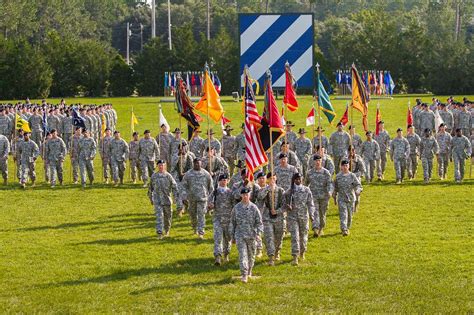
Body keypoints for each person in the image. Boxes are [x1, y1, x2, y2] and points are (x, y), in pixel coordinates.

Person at [229, 187, 263, 283]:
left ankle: (249, 271)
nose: (245, 196)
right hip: (240, 235)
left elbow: (259, 223)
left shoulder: (254, 208)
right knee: (243, 254)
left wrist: (258, 233)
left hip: (252, 235)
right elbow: (232, 222)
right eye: (243, 195)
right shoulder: (236, 208)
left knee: (251, 255)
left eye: (247, 195)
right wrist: (232, 236)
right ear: (241, 195)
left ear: (249, 195)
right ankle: (244, 274)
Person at [284, 173, 314, 266]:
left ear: (302, 179)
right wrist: (287, 206)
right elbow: (283, 203)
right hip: (292, 217)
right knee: (295, 237)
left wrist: (312, 215)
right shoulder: (289, 192)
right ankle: (295, 256)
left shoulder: (306, 190)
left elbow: (310, 203)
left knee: (303, 237)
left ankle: (302, 252)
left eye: (299, 179)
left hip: (304, 217)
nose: (298, 180)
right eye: (296, 179)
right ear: (293, 180)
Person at [182, 158, 213, 239]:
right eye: (195, 163)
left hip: (202, 199)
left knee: (201, 215)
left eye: (198, 163)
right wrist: (184, 197)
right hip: (191, 199)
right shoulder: (188, 174)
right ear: (193, 164)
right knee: (192, 215)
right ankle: (194, 227)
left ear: (201, 164)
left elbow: (211, 188)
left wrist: (210, 200)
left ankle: (201, 232)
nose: (197, 165)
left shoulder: (206, 174)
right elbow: (184, 186)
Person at [258, 172, 285, 266]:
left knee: (278, 237)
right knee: (269, 237)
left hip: (279, 218)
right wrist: (268, 189)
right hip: (267, 218)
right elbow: (260, 197)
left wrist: (277, 211)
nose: (272, 180)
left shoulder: (281, 191)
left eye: (274, 178)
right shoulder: (264, 190)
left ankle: (277, 251)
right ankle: (271, 257)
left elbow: (285, 206)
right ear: (268, 180)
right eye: (270, 179)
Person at [208, 174, 234, 265]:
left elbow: (234, 204)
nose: (223, 181)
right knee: (218, 238)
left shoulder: (230, 192)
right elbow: (209, 201)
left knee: (227, 238)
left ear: (227, 181)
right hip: (217, 218)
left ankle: (226, 254)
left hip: (228, 219)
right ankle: (218, 256)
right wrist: (210, 205)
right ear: (219, 181)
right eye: (222, 180)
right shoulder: (215, 192)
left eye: (225, 180)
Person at [148, 160, 178, 239]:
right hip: (157, 200)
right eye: (159, 165)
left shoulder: (168, 176)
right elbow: (150, 188)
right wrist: (151, 198)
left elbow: (175, 187)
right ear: (157, 166)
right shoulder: (154, 176)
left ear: (165, 166)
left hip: (167, 200)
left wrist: (175, 198)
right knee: (159, 216)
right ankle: (159, 232)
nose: (161, 167)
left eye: (163, 165)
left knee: (167, 217)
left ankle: (167, 230)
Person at [305, 154, 333, 237]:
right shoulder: (309, 173)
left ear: (321, 162)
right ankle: (315, 229)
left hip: (324, 196)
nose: (317, 162)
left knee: (322, 213)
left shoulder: (326, 172)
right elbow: (306, 184)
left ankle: (321, 228)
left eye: (319, 161)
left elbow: (330, 183)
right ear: (313, 162)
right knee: (315, 212)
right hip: (313, 196)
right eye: (316, 161)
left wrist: (330, 191)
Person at [333, 160, 362, 236]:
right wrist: (334, 196)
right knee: (343, 214)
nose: (345, 167)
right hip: (341, 199)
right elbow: (335, 188)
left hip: (351, 199)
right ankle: (344, 229)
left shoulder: (352, 176)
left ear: (349, 166)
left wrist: (358, 190)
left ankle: (347, 227)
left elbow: (358, 185)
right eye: (344, 166)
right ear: (341, 167)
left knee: (349, 215)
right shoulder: (338, 177)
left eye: (346, 166)